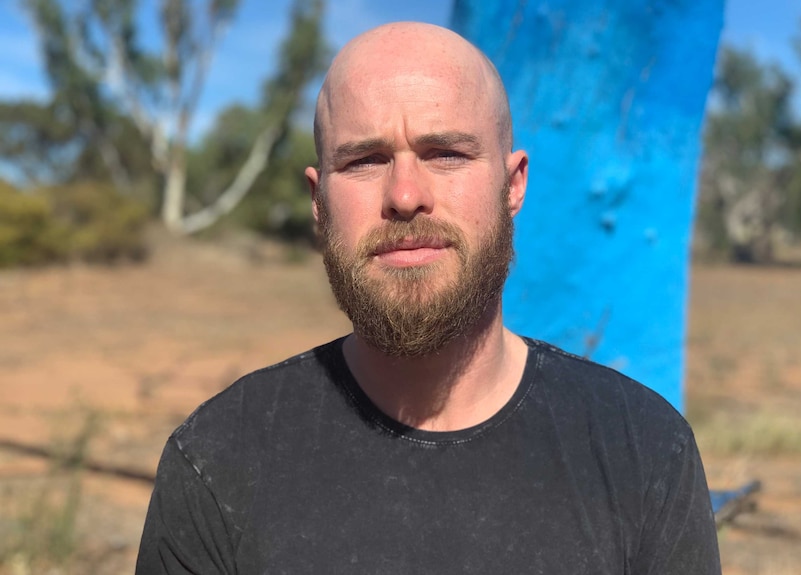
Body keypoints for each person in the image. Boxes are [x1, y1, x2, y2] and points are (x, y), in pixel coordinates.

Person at [135, 22, 721, 574]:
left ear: (512, 185)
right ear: (318, 202)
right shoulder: (218, 461)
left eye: (446, 154)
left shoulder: (643, 452)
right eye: (364, 161)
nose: (406, 195)